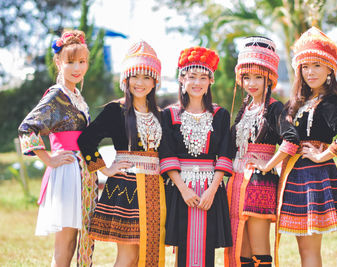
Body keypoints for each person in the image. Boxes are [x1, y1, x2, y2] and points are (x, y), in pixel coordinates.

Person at [275, 27, 337, 267]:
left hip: (314, 176)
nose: (310, 72)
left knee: (310, 249)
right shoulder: (300, 101)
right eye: (305, 66)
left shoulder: (330, 101)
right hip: (296, 174)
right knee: (304, 249)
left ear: (330, 68)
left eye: (317, 65)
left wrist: (323, 156)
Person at [77, 40, 166, 267]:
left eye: (147, 77)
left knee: (142, 256)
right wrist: (105, 168)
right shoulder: (116, 110)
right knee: (127, 257)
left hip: (155, 189)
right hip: (127, 187)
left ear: (155, 81)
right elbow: (85, 140)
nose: (140, 82)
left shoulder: (161, 113)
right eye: (135, 76)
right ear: (125, 79)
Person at [18, 30, 97, 266]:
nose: (77, 68)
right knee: (65, 243)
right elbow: (27, 128)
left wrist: (103, 169)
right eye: (70, 61)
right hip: (68, 171)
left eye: (82, 62)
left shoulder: (76, 95)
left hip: (82, 171)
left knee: (74, 241)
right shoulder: (56, 95)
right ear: (58, 62)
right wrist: (49, 159)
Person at [224, 36, 299, 267]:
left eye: (258, 76)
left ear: (270, 78)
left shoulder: (276, 107)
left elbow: (291, 139)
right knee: (241, 249)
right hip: (237, 180)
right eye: (247, 77)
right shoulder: (245, 108)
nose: (252, 83)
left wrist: (268, 164)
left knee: (259, 250)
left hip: (260, 183)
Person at [159, 46, 233, 267]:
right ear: (182, 79)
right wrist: (183, 188)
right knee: (183, 242)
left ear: (211, 81)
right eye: (191, 77)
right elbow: (166, 153)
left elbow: (225, 153)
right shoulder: (169, 114)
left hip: (211, 187)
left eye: (203, 77)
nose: (197, 82)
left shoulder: (220, 114)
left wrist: (212, 190)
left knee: (206, 245)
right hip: (180, 187)